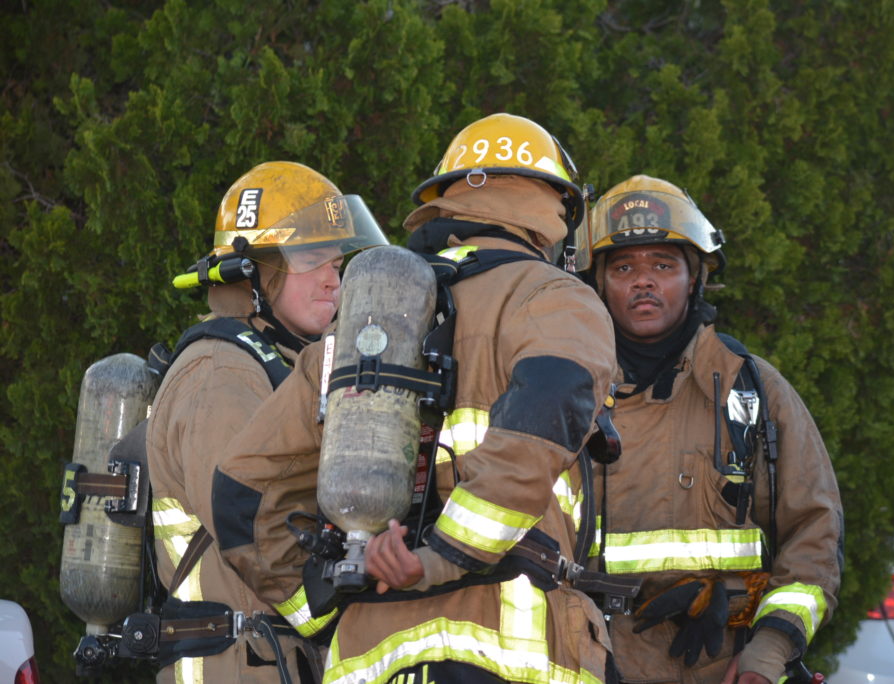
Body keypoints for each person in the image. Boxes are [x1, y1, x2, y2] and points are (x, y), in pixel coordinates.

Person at [210, 113, 620, 683]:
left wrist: (323, 611)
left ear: (445, 202)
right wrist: (441, 559)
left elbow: (241, 493)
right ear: (554, 211)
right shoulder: (554, 297)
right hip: (506, 652)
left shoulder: (362, 324)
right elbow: (545, 416)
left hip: (368, 660)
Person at [579, 175, 843, 684]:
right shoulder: (566, 389)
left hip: (720, 668)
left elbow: (814, 537)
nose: (643, 281)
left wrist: (767, 653)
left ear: (695, 277)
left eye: (663, 265)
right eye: (624, 267)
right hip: (583, 663)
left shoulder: (752, 390)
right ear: (598, 282)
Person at [147, 161, 388, 684]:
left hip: (271, 655)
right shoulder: (222, 371)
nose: (333, 279)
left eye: (337, 262)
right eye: (311, 259)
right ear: (253, 272)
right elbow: (247, 520)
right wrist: (334, 615)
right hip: (236, 662)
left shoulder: (279, 366)